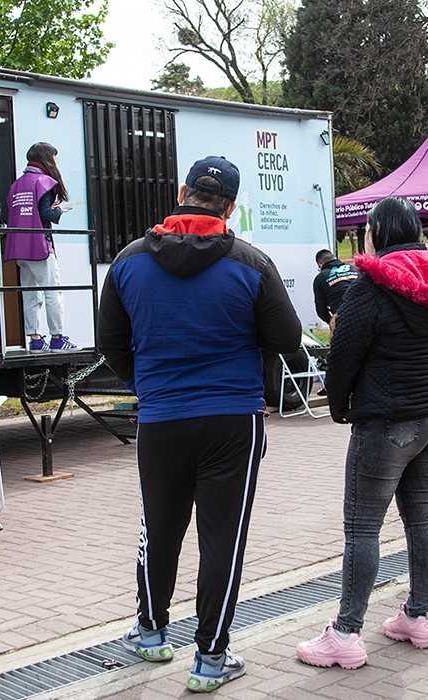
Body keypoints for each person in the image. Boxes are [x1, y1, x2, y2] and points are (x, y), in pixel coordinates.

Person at [98, 155, 301, 693]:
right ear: (231, 207)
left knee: (159, 528)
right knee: (222, 540)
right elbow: (287, 338)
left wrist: (151, 383)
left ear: (182, 191)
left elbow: (111, 347)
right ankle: (210, 656)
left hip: (161, 417)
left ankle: (150, 631)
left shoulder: (127, 262)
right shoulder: (251, 263)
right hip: (232, 418)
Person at [294, 197, 428, 670]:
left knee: (362, 528)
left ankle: (346, 633)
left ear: (378, 232)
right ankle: (419, 614)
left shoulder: (372, 284)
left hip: (387, 420)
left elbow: (344, 353)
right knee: (422, 518)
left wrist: (339, 406)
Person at [4, 142, 76, 352]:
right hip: (40, 247)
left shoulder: (16, 185)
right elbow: (46, 214)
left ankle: (35, 340)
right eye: (53, 157)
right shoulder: (44, 182)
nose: (55, 162)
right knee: (53, 291)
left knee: (30, 293)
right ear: (46, 159)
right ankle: (57, 338)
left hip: (19, 247)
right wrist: (61, 210)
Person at [312, 249, 359, 331]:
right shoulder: (354, 269)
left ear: (320, 264)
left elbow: (320, 309)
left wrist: (330, 321)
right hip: (366, 311)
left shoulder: (320, 278)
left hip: (344, 317)